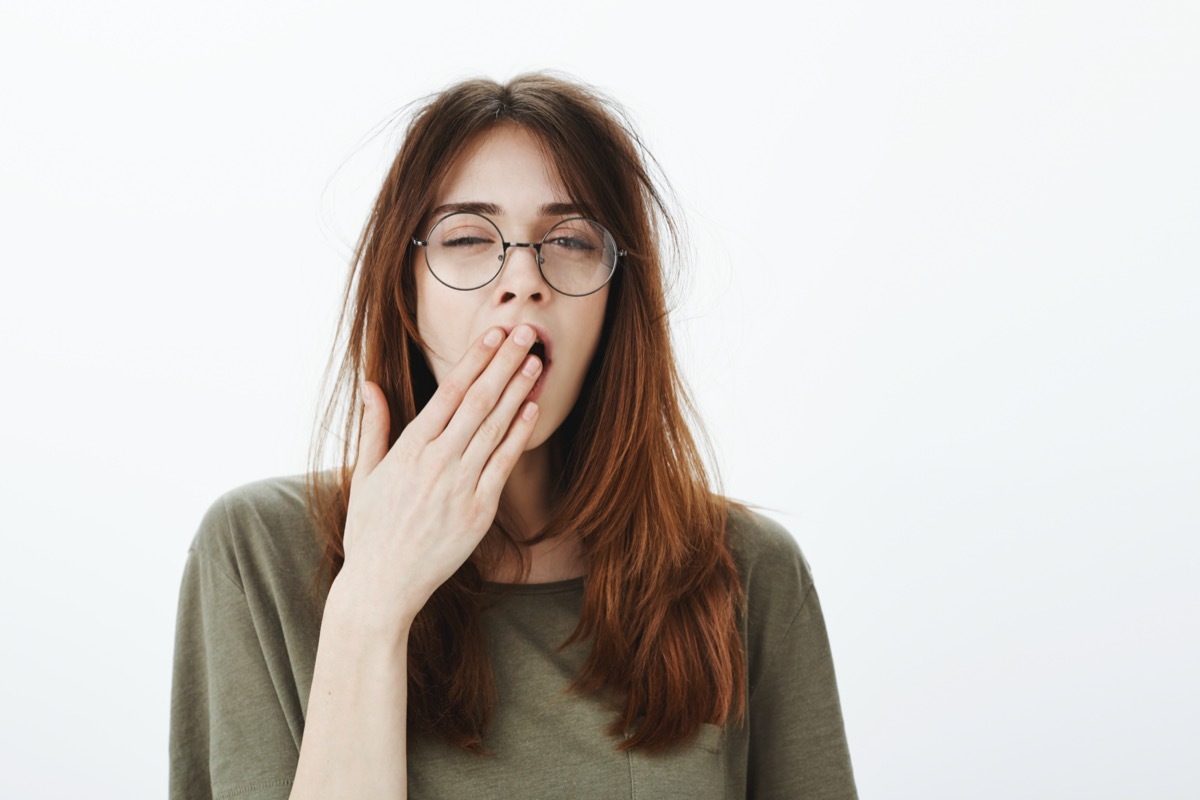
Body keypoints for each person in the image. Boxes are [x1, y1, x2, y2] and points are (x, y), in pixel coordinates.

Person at [169, 73, 858, 800]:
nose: (523, 280)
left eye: (569, 240)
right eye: (468, 237)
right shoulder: (256, 552)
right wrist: (370, 603)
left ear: (617, 299)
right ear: (405, 291)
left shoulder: (748, 572)